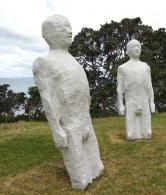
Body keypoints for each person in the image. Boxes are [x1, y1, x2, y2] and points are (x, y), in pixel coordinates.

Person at [33, 14, 104, 190]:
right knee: (79, 170)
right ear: (48, 34)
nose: (69, 30)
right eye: (63, 27)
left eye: (69, 26)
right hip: (69, 123)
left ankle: (94, 171)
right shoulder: (43, 62)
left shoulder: (72, 59)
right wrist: (56, 129)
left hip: (84, 118)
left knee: (96, 164)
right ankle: (81, 180)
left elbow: (83, 91)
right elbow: (48, 99)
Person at [117, 39, 155, 140]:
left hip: (144, 100)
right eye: (134, 47)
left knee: (148, 133)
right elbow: (120, 88)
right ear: (128, 51)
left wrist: (152, 102)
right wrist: (121, 105)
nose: (137, 48)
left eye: (139, 46)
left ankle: (144, 133)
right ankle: (132, 134)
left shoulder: (146, 67)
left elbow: (149, 86)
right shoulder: (122, 68)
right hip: (131, 101)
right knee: (130, 135)